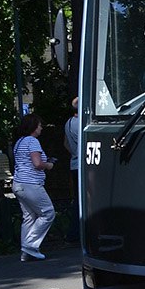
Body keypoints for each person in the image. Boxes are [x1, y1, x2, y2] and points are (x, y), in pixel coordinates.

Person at [12, 113, 56, 261]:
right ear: (33, 127)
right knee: (48, 213)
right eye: (39, 125)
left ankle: (26, 252)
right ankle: (30, 245)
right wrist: (48, 165)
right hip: (31, 184)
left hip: (18, 184)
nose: (41, 128)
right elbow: (37, 164)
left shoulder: (19, 142)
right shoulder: (32, 141)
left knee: (29, 217)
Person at [63, 97, 80, 243]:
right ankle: (76, 233)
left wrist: (75, 153)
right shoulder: (80, 124)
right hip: (82, 165)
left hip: (73, 163)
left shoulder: (68, 123)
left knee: (77, 199)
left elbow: (66, 143)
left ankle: (73, 233)